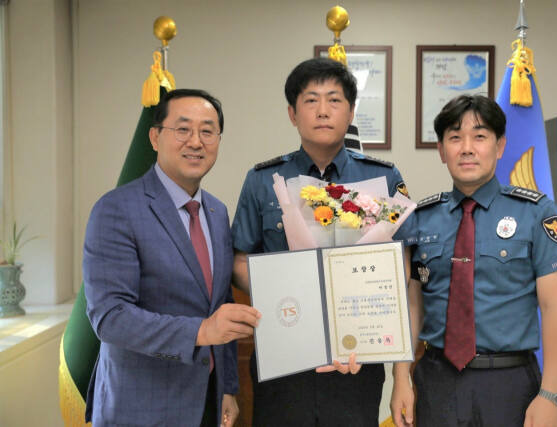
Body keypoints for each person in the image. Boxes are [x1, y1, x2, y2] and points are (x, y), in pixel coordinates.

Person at [231, 57, 411, 426]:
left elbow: (401, 260)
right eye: (311, 100)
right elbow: (239, 259)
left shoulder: (383, 178)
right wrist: (282, 290)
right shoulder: (262, 179)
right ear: (292, 113)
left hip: (356, 358)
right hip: (284, 351)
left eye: (334, 99)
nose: (323, 110)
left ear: (351, 111)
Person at [391, 94, 557, 427]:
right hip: (436, 382)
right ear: (441, 150)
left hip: (509, 383)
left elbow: (556, 309)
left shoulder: (537, 213)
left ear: (500, 145)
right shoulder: (421, 219)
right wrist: (401, 375)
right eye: (454, 137)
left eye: (479, 136)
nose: (466, 148)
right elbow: (412, 306)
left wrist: (552, 394)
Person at [83, 89, 261, 427]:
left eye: (208, 131)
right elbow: (110, 318)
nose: (196, 141)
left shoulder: (216, 211)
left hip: (207, 399)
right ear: (154, 137)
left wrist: (227, 388)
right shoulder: (116, 209)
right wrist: (201, 331)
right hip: (139, 404)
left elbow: (219, 302)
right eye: (183, 129)